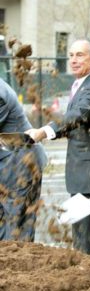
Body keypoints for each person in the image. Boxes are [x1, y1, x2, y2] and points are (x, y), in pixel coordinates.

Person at [27, 37, 90, 254]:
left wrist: (44, 131)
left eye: (80, 55)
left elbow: (78, 116)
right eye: (71, 55)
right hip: (81, 173)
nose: (73, 60)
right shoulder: (81, 83)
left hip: (89, 175)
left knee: (88, 238)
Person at [0, 78, 47, 241]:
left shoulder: (0, 94)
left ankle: (14, 265)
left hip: (22, 165)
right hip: (7, 164)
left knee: (16, 230)